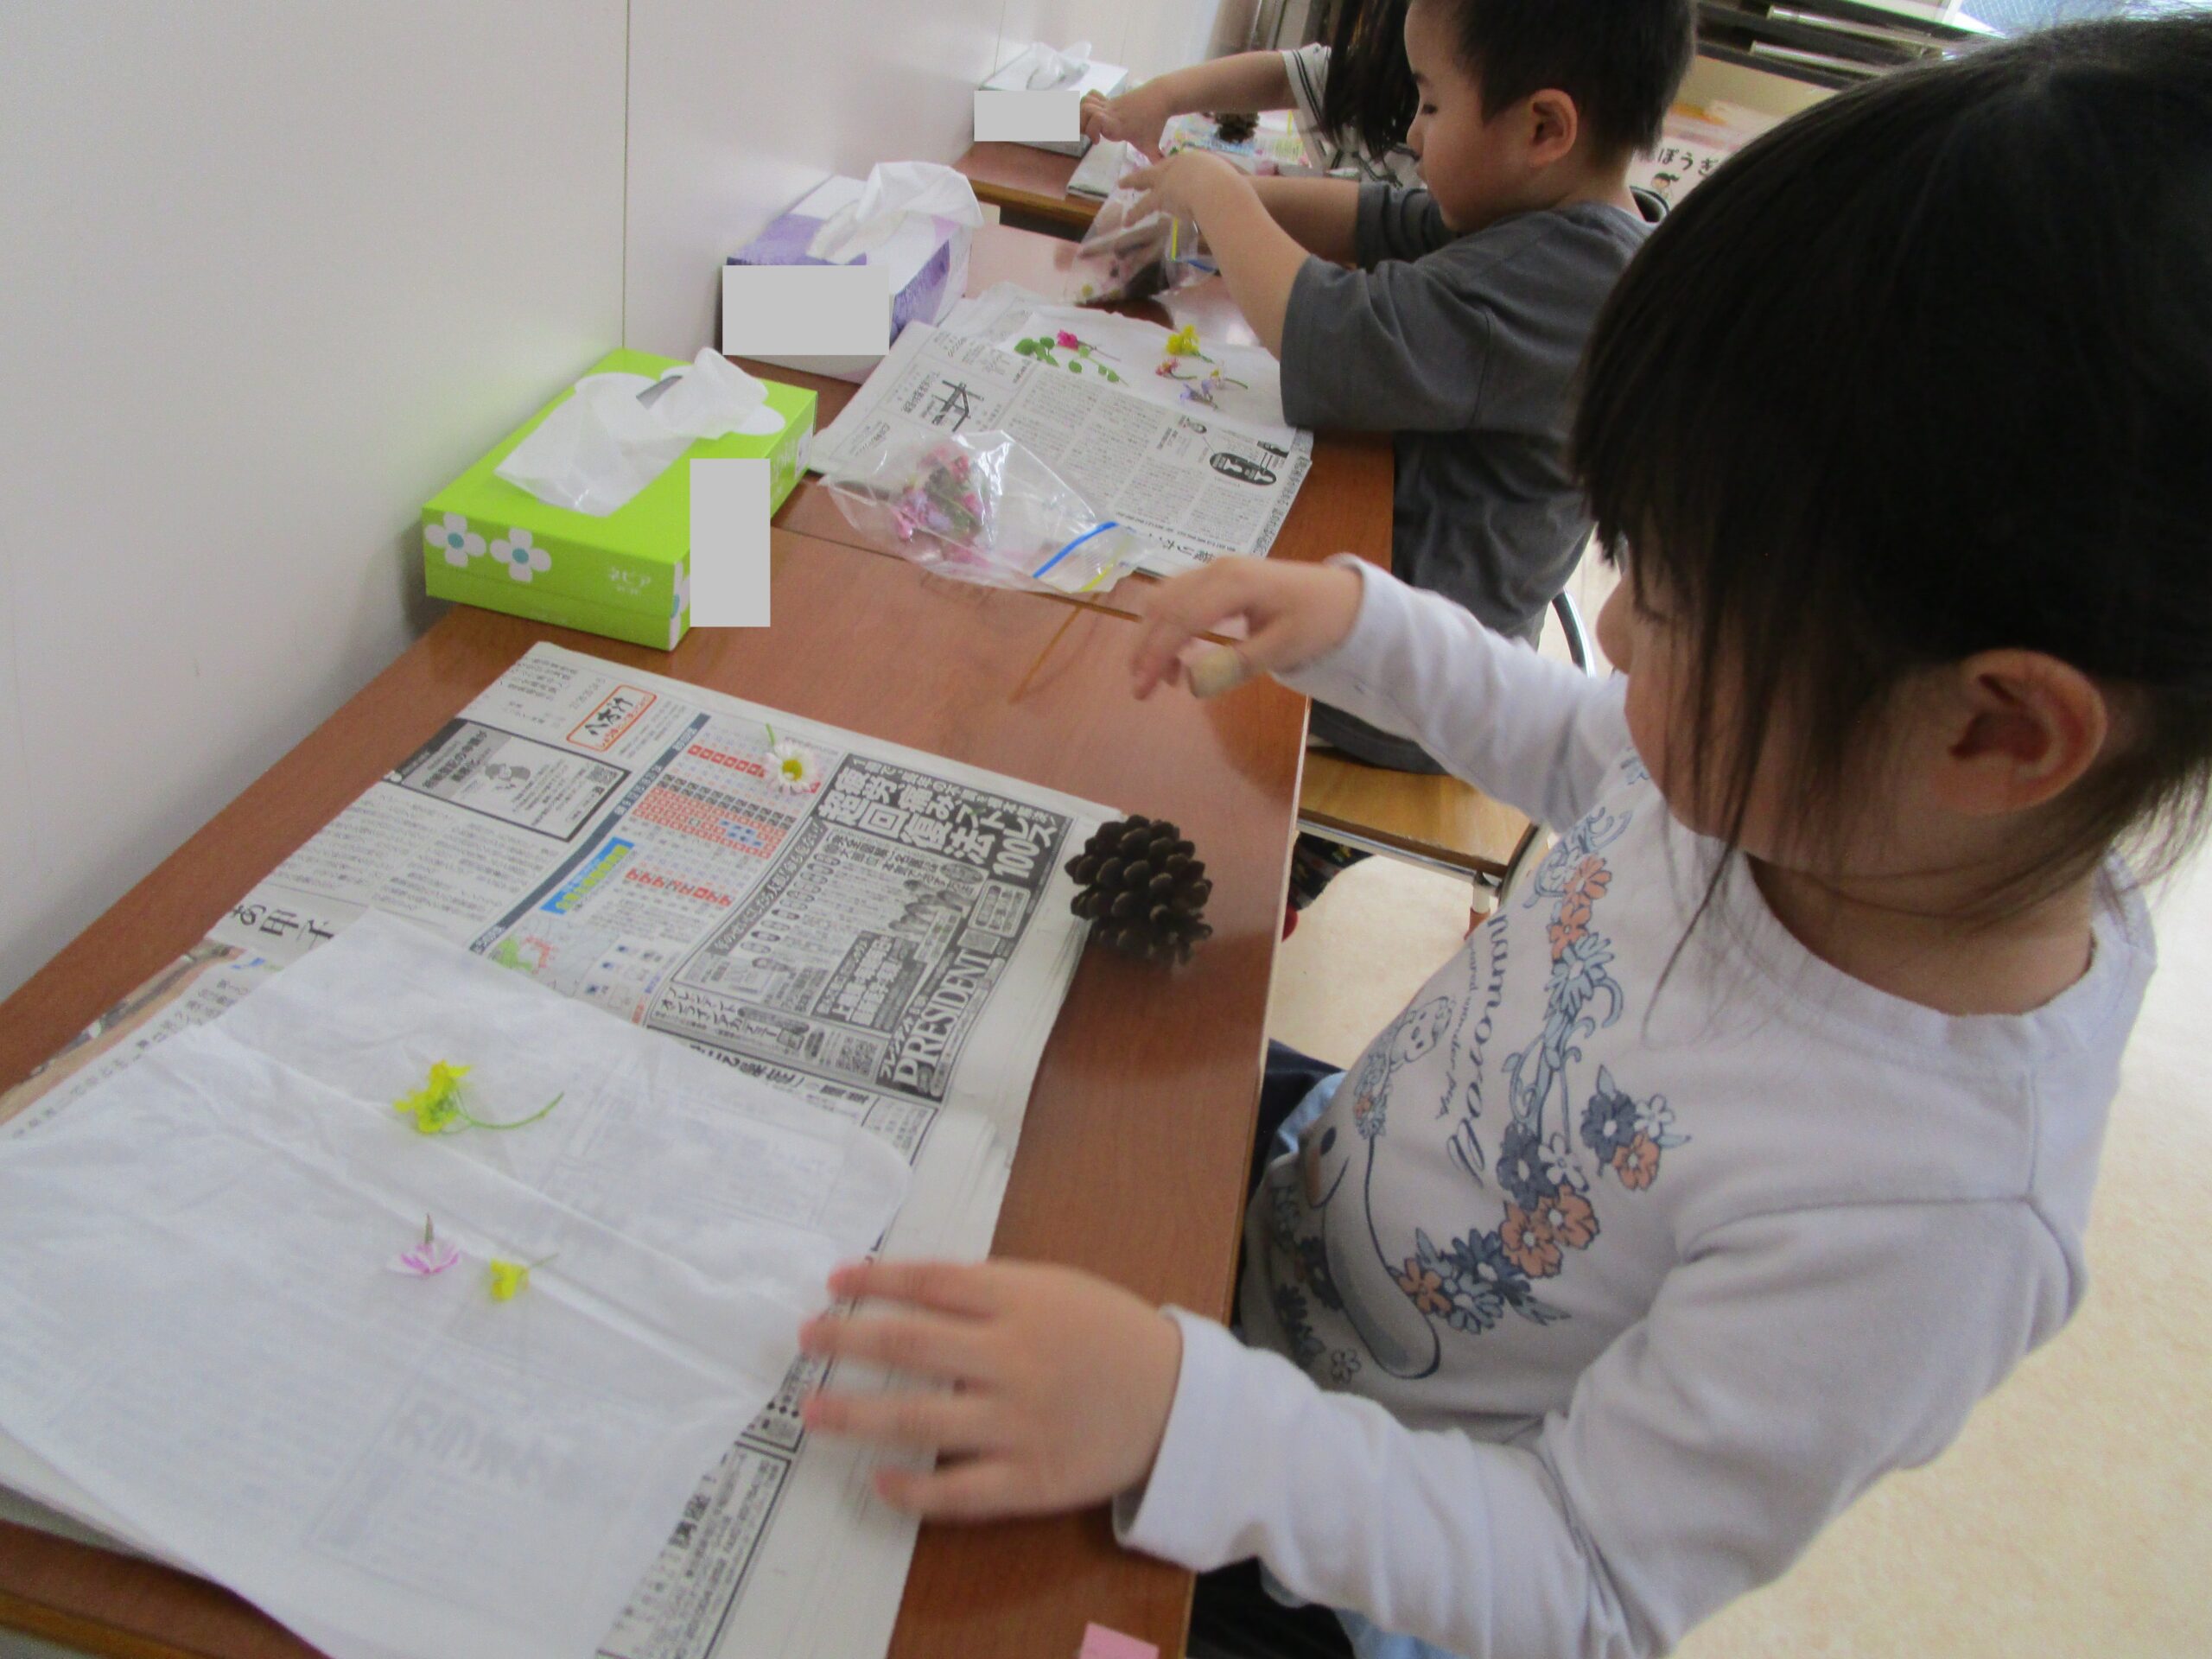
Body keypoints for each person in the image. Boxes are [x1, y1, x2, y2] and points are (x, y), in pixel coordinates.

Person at [795, 16, 2212, 1658]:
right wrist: (1358, 621)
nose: (1615, 633)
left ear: (1999, 731)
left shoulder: (1927, 1214)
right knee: (991, 1078)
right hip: (1318, 1200)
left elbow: (1583, 1580)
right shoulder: (1818, 802)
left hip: (1350, 1548)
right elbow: (1574, 742)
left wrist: (1185, 1419)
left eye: (1675, 600)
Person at [1122, 0, 1693, 918]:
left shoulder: (1569, 281)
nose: (1413, 135)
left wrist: (1218, 195)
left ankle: (1289, 865)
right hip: (1404, 590)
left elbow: (1334, 339)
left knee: (1125, 660)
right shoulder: (1562, 222)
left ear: (1543, 128)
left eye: (1430, 104)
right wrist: (1200, 199)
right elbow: (1379, 219)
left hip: (1408, 682)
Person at [1082, 0, 1422, 184]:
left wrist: (1236, 194)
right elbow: (1284, 76)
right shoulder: (1376, 74)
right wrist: (1161, 96)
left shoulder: (1424, 192)